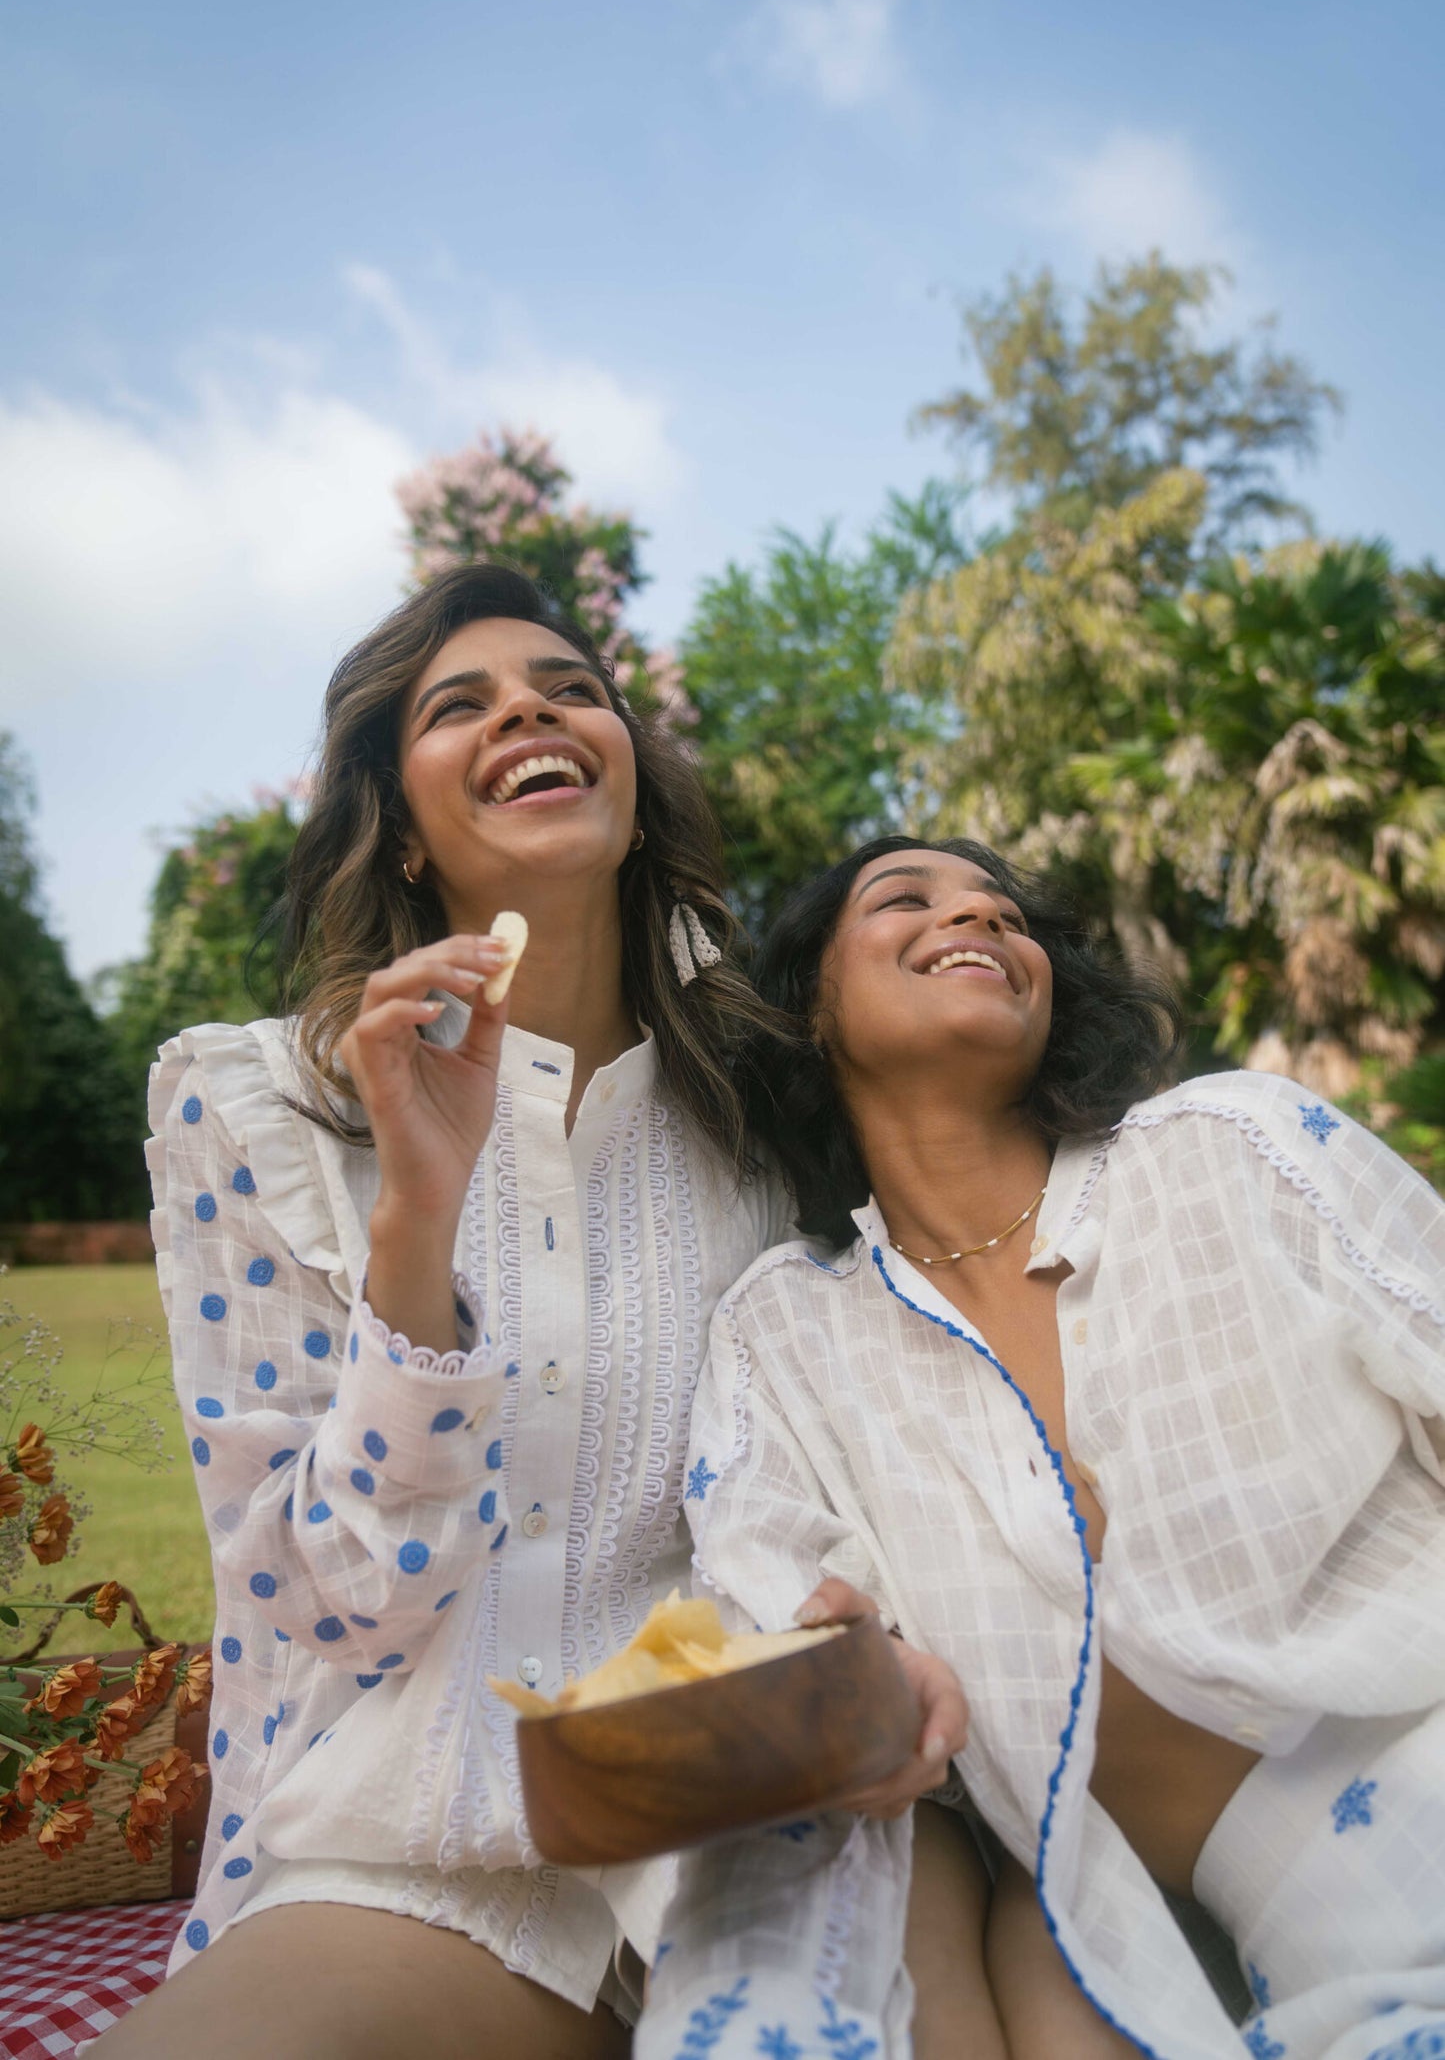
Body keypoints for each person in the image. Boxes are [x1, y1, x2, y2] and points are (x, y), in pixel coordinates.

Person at [93, 576, 966, 2060]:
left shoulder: (772, 1113)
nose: (526, 709)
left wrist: (858, 1607)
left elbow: (882, 1423)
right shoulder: (259, 1106)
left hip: (761, 1807)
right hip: (419, 1848)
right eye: (459, 703)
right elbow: (321, 1605)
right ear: (403, 820)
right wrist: (416, 1224)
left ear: (630, 788)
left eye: (568, 685)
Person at [638, 834, 1445, 2060]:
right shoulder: (785, 1334)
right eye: (906, 899)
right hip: (1317, 1949)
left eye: (1005, 914)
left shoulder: (1232, 1146)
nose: (978, 917)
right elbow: (771, 1609)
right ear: (813, 1003)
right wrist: (850, 1669)